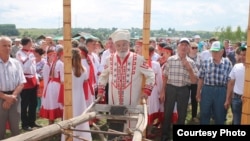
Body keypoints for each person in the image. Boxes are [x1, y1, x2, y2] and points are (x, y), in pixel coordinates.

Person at [97, 29, 155, 139]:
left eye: (124, 45)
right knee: (115, 129)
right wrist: (100, 91)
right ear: (114, 45)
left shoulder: (138, 59)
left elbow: (151, 74)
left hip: (132, 101)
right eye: (118, 45)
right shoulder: (109, 59)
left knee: (132, 129)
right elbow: (103, 76)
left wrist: (147, 91)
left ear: (128, 44)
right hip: (115, 101)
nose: (121, 48)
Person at [160, 38, 198, 141]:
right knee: (167, 113)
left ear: (189, 48)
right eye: (182, 44)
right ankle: (165, 136)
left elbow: (194, 81)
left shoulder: (191, 62)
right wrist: (163, 91)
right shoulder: (171, 60)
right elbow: (165, 76)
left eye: (186, 45)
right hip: (171, 88)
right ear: (178, 46)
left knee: (182, 114)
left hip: (184, 89)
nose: (184, 47)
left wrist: (189, 68)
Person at [196, 41, 232, 125]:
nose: (214, 53)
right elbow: (201, 79)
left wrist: (227, 98)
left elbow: (230, 82)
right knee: (204, 113)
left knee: (220, 115)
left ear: (222, 52)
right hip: (207, 90)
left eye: (216, 51)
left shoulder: (227, 63)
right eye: (213, 51)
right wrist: (198, 93)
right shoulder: (206, 62)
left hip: (221, 91)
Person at [0, 36, 26, 139]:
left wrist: (11, 97)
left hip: (15, 98)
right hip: (1, 97)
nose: (7, 48)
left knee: (15, 127)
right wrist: (6, 97)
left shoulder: (16, 63)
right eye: (4, 45)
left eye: (9, 46)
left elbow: (21, 83)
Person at [16, 37, 41, 131]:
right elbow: (23, 67)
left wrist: (37, 79)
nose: (32, 43)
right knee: (24, 103)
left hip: (33, 79)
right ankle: (25, 124)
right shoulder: (19, 53)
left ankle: (32, 121)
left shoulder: (31, 53)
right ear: (27, 43)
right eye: (31, 41)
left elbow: (33, 68)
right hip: (25, 79)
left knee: (33, 103)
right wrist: (29, 57)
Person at [71, 48, 92, 141]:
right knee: (80, 114)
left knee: (71, 114)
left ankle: (72, 135)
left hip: (71, 95)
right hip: (80, 94)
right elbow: (85, 80)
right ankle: (83, 136)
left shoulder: (68, 69)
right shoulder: (84, 69)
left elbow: (63, 81)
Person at [40, 47, 64, 125]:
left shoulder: (55, 62)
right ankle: (63, 125)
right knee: (61, 105)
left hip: (52, 86)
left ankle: (51, 124)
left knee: (53, 104)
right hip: (57, 87)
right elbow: (63, 79)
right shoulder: (60, 63)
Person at [224, 46, 247, 125]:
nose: (242, 57)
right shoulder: (237, 66)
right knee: (236, 121)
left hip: (247, 99)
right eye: (241, 54)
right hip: (236, 98)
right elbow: (231, 83)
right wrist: (227, 99)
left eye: (245, 55)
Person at [187, 42, 201, 122]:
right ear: (189, 48)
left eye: (196, 48)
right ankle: (182, 114)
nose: (195, 49)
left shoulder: (200, 58)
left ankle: (194, 116)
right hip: (186, 81)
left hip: (196, 82)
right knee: (184, 98)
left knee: (194, 99)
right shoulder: (185, 57)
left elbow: (201, 69)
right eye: (193, 47)